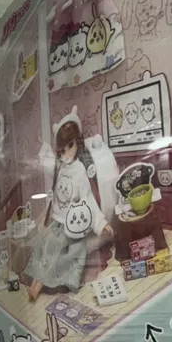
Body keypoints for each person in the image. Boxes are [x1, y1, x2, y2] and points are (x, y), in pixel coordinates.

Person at [25, 115, 113, 300]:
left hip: (73, 226)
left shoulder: (80, 170)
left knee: (57, 251)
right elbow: (48, 167)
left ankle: (38, 286)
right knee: (45, 246)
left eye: (70, 146)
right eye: (61, 150)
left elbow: (88, 200)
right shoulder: (61, 167)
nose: (66, 154)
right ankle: (34, 283)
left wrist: (101, 224)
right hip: (58, 223)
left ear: (78, 143)